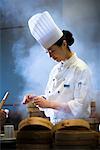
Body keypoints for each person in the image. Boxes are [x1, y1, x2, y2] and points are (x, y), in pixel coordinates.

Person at [22, 11, 93, 124]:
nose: (50, 56)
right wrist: (37, 99)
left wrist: (49, 104)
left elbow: (80, 106)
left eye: (52, 51)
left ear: (64, 44)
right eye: (47, 52)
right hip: (56, 126)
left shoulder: (81, 69)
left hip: (75, 128)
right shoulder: (55, 70)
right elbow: (53, 98)